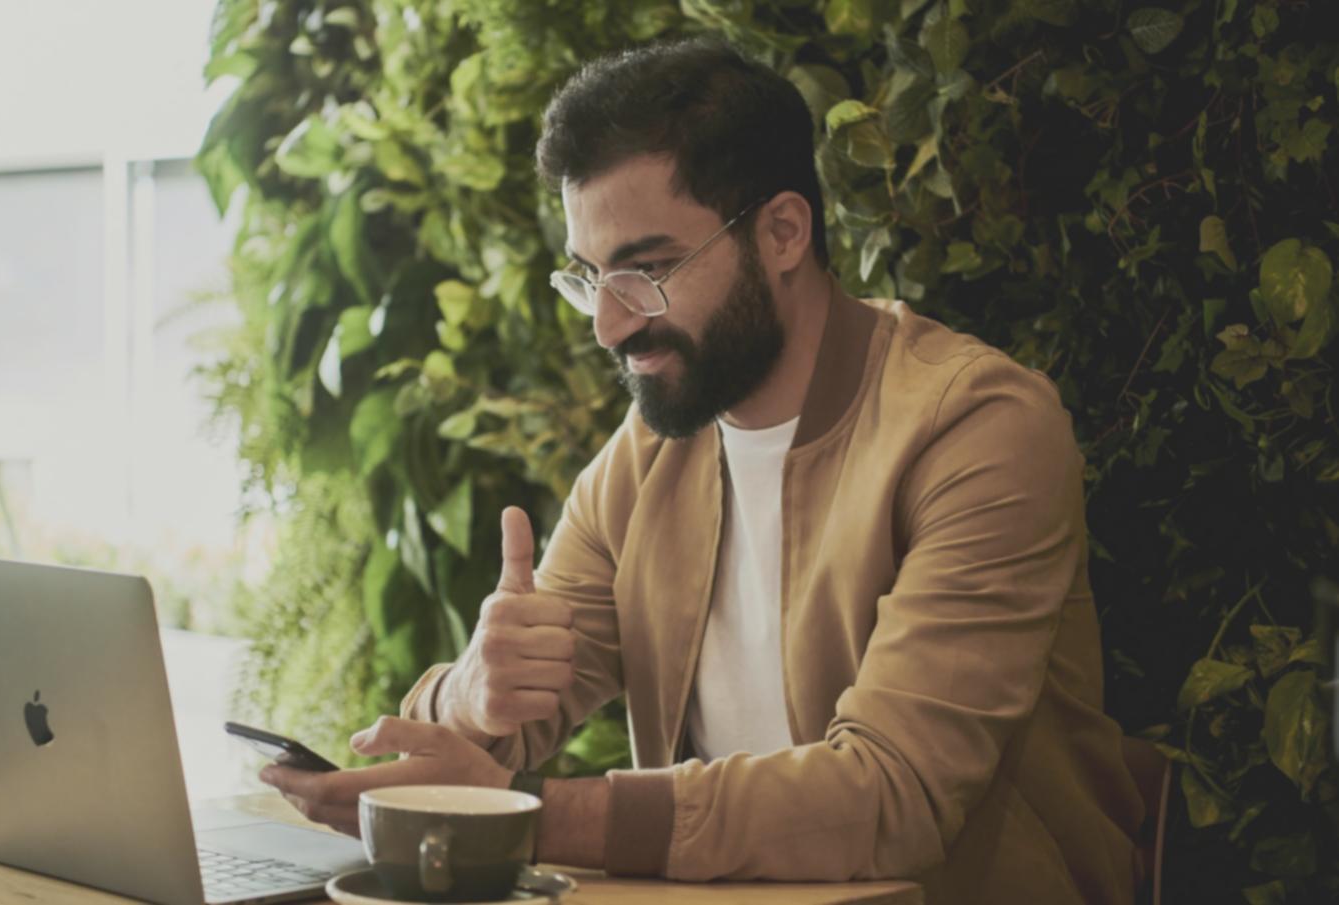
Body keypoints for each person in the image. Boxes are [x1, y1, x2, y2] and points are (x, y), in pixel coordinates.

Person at [261, 37, 1144, 904]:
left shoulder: (975, 429)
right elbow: (487, 728)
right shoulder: (647, 461)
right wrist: (475, 694)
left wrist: (526, 813)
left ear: (784, 232)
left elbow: (891, 796)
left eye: (646, 271)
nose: (608, 326)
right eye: (589, 277)